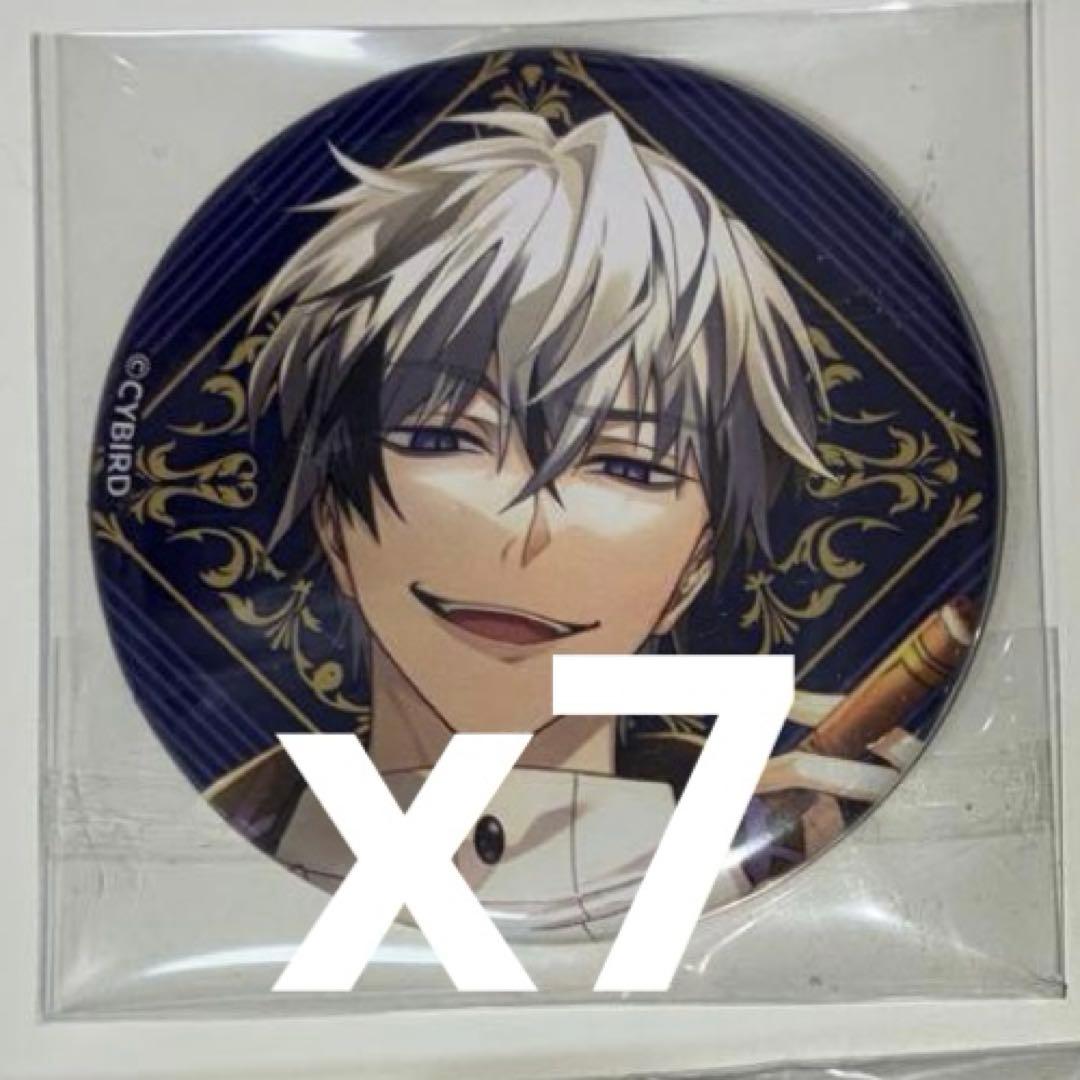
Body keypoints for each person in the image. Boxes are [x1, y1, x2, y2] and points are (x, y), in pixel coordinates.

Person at [207, 109, 900, 940]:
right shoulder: (222, 850)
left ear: (696, 563)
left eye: (631, 466)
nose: (523, 531)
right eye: (441, 438)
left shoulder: (782, 850)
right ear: (332, 507)